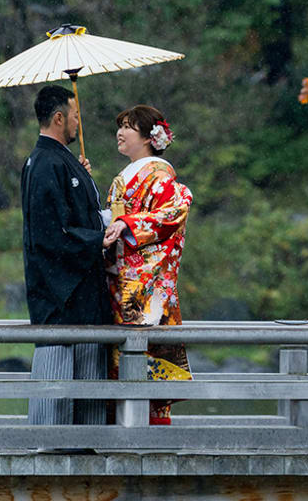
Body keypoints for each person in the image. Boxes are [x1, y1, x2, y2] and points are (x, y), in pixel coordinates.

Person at [20, 84, 111, 425]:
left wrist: (82, 178)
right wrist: (97, 241)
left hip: (79, 290)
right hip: (60, 291)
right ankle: (48, 446)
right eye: (75, 116)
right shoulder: (45, 163)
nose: (78, 124)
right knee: (57, 376)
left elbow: (75, 216)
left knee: (88, 379)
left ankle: (86, 447)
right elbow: (51, 233)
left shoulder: (59, 161)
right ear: (58, 118)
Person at [103, 104, 193, 425]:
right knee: (118, 368)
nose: (120, 132)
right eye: (120, 126)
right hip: (119, 283)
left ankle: (150, 445)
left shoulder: (159, 176)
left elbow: (174, 212)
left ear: (147, 137)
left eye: (127, 126)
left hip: (144, 286)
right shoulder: (126, 178)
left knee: (144, 366)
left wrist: (127, 224)